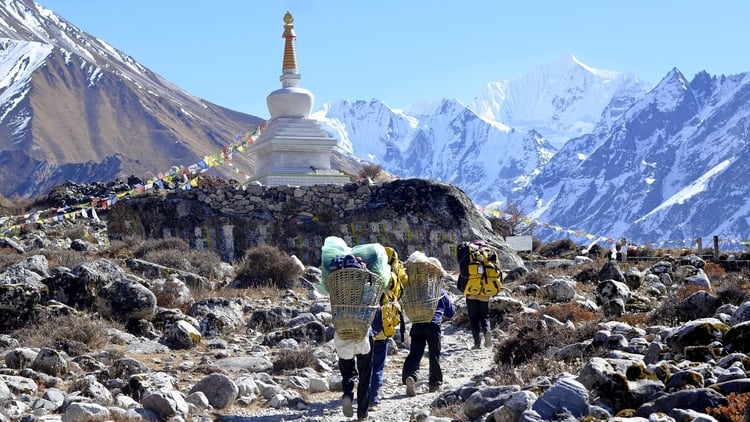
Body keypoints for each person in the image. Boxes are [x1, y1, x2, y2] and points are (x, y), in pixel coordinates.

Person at [401, 289, 455, 396]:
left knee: (415, 353)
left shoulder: (416, 291)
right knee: (434, 354)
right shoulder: (440, 292)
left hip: (417, 324)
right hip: (434, 325)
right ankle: (435, 384)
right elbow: (450, 313)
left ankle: (410, 376)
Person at [335, 328, 374, 420]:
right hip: (363, 338)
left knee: (347, 372)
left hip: (343, 337)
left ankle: (348, 394)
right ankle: (362, 414)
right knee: (365, 376)